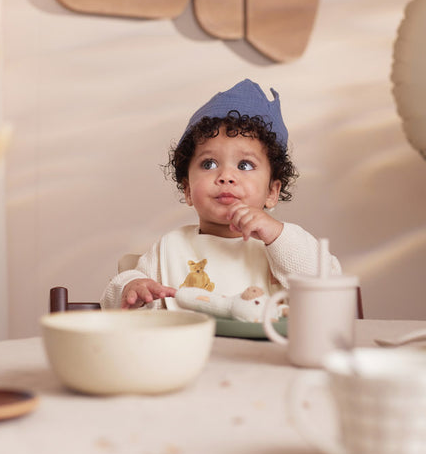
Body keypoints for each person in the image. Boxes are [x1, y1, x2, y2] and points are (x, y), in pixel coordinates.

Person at [101, 79, 340, 310]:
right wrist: (131, 286)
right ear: (188, 189)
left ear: (272, 191)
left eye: (245, 165)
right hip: (192, 340)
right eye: (209, 164)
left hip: (267, 340)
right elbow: (116, 303)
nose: (226, 176)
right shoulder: (171, 248)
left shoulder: (284, 248)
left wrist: (278, 236)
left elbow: (329, 289)